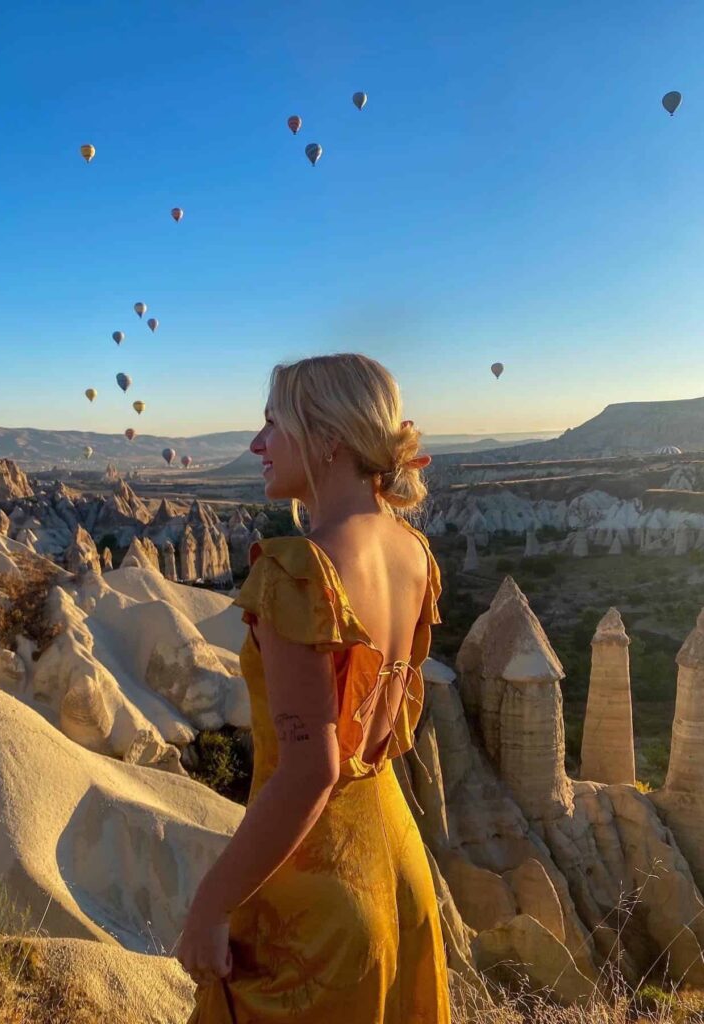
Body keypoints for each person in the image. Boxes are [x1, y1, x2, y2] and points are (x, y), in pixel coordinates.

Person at [178, 353, 451, 1022]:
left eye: (274, 423)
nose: (257, 443)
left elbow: (310, 771)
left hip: (318, 901)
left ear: (327, 438)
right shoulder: (412, 551)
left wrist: (210, 907)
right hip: (400, 875)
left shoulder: (299, 571)